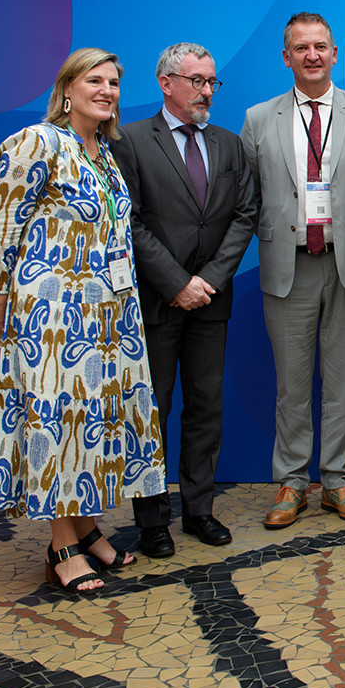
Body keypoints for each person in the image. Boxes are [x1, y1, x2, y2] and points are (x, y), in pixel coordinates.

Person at [0, 47, 164, 595]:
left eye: (113, 83)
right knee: (57, 422)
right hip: (53, 314)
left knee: (93, 421)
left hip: (108, 315)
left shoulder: (104, 150)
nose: (107, 90)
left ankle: (87, 529)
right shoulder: (37, 142)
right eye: (95, 80)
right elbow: (1, 227)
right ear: (66, 88)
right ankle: (61, 544)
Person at [241, 12, 345, 530]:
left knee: (343, 380)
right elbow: (249, 196)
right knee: (291, 383)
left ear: (334, 53)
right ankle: (291, 482)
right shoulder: (259, 118)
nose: (312, 55)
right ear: (286, 57)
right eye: (301, 48)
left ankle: (337, 481)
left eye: (321, 46)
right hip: (288, 265)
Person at [112, 42, 257, 558]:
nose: (206, 91)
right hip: (156, 302)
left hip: (211, 302)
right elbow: (127, 221)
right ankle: (152, 521)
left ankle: (199, 511)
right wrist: (176, 282)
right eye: (195, 81)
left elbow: (245, 215)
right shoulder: (129, 141)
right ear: (166, 83)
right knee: (152, 411)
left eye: (211, 82)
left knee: (205, 408)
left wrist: (209, 280)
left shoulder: (229, 144)